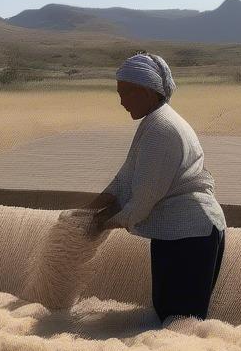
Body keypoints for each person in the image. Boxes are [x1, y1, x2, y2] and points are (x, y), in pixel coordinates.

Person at [87, 52, 226, 323]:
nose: (121, 101)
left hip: (190, 237)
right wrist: (86, 212)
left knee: (179, 322)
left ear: (148, 91)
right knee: (168, 317)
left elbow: (140, 204)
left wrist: (99, 225)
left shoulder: (161, 129)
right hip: (178, 233)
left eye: (126, 92)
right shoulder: (154, 122)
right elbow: (123, 181)